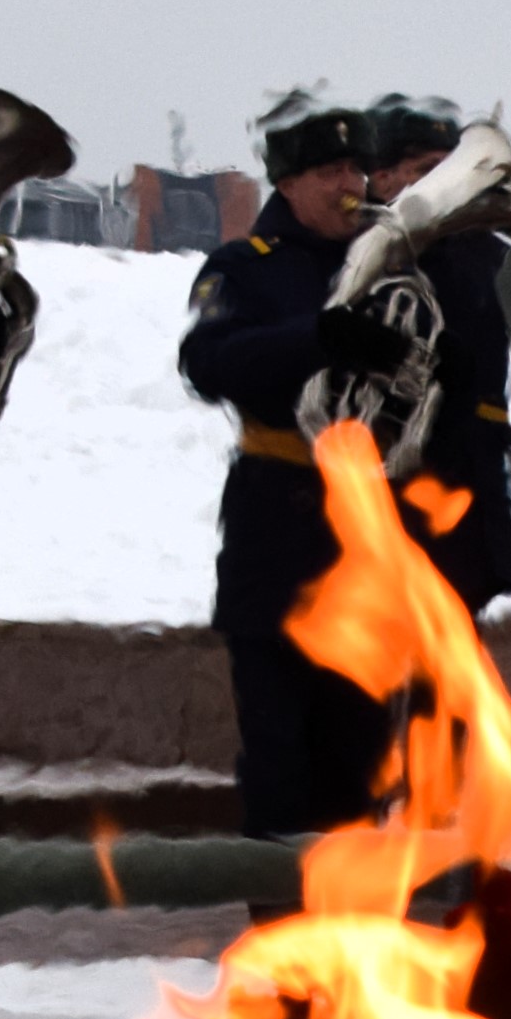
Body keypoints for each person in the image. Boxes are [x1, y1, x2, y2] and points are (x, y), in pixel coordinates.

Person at [178, 98, 398, 837]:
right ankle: (279, 919)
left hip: (365, 530)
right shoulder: (244, 267)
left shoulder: (389, 265)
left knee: (361, 748)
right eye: (331, 169)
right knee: (278, 747)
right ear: (288, 183)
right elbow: (207, 361)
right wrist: (317, 337)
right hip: (277, 521)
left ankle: (353, 925)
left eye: (358, 167)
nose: (352, 183)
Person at [358, 94, 511, 615]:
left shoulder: (488, 256)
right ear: (382, 178)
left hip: (471, 480)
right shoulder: (357, 261)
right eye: (426, 170)